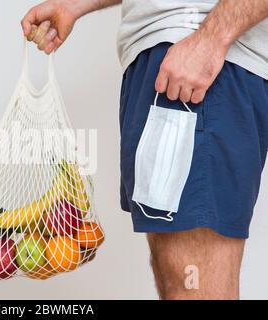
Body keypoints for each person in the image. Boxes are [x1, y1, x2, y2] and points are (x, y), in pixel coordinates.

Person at [21, 0, 268, 300]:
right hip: (172, 63)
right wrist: (74, 6)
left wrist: (211, 39)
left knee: (194, 288)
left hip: (196, 62)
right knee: (178, 281)